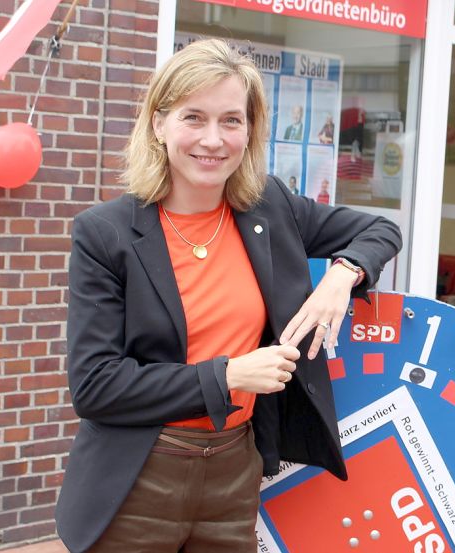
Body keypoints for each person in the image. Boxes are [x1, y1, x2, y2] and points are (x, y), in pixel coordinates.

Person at [55, 39, 401, 553]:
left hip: (236, 472)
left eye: (231, 121)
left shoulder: (271, 209)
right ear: (159, 124)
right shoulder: (105, 234)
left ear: (250, 130)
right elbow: (96, 386)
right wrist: (229, 375)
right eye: (193, 117)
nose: (213, 140)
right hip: (138, 477)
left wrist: (342, 273)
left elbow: (380, 228)